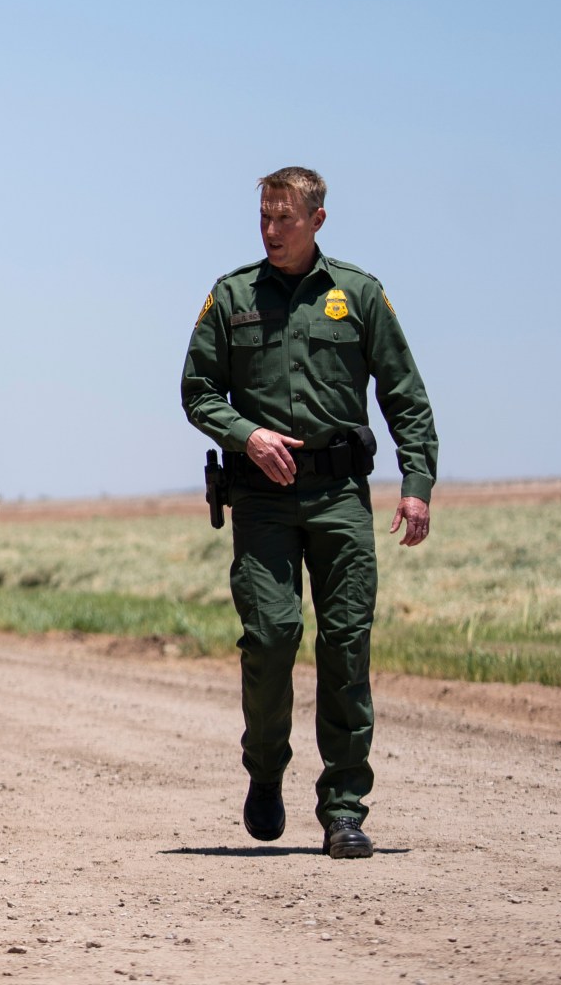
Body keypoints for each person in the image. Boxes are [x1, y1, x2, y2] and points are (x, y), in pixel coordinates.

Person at [182, 166, 437, 860]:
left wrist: (416, 482)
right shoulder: (232, 295)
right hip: (262, 500)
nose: (270, 230)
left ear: (317, 220)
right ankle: (265, 771)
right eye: (263, 217)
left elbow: (406, 395)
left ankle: (344, 808)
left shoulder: (358, 294)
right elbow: (198, 390)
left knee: (346, 646)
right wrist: (247, 436)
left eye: (284, 218)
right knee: (272, 636)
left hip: (338, 499)